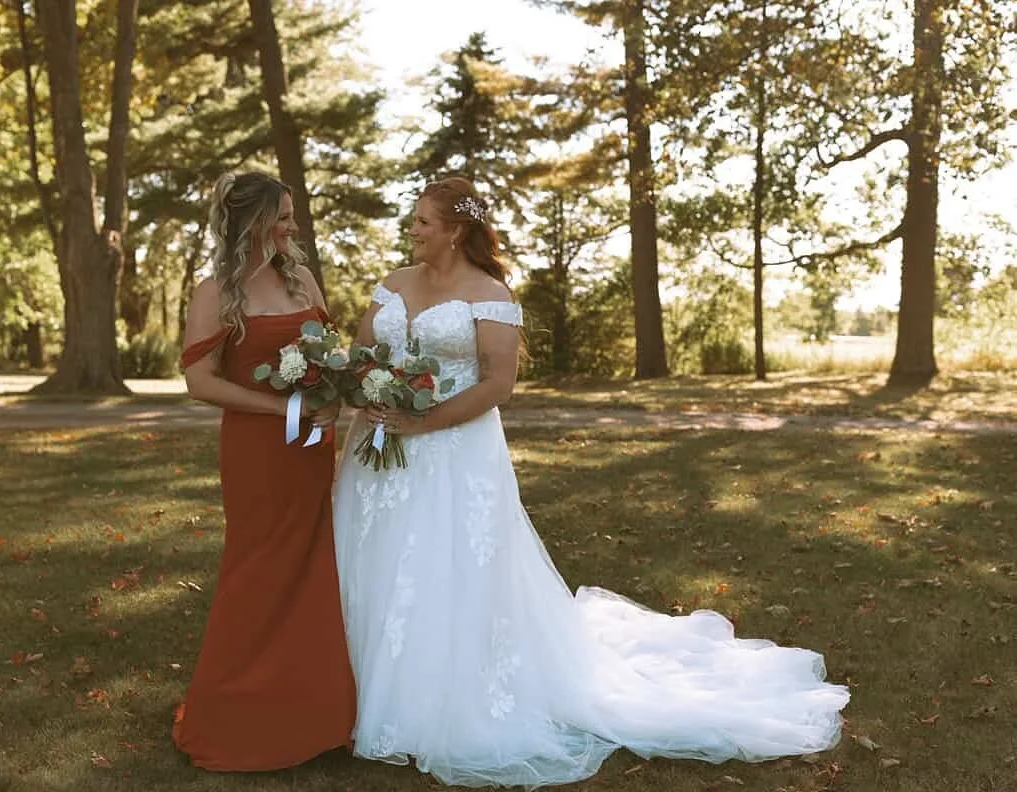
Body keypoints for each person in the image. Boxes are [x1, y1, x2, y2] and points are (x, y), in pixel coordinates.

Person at [332, 175, 849, 788]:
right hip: (381, 445)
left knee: (447, 566)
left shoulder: (489, 294)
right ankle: (352, 692)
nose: (412, 230)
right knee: (377, 560)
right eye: (413, 220)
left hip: (453, 451)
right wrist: (368, 398)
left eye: (422, 221)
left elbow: (497, 384)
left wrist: (423, 423)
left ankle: (438, 699)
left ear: (456, 230)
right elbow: (362, 356)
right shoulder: (391, 285)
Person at [172, 171, 355, 771]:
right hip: (256, 449)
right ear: (250, 221)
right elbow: (201, 381)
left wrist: (328, 394)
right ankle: (238, 711)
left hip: (309, 447)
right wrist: (281, 406)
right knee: (257, 569)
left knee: (313, 565)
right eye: (282, 216)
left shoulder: (300, 279)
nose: (291, 226)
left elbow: (330, 353)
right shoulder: (214, 291)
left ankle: (316, 712)